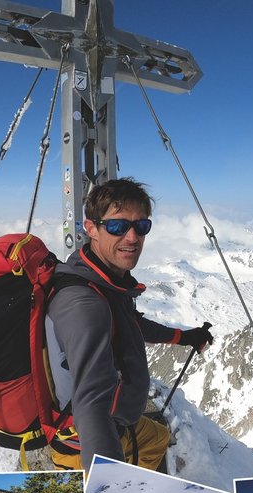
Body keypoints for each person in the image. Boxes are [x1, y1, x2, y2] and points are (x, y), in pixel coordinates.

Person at [45, 177, 214, 472]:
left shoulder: (104, 282)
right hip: (81, 441)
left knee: (158, 439)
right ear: (91, 228)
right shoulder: (86, 304)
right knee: (150, 445)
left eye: (141, 226)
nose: (133, 237)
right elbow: (92, 403)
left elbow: (129, 325)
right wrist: (111, 482)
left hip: (119, 421)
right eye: (117, 226)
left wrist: (183, 337)